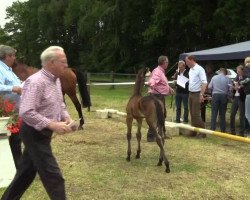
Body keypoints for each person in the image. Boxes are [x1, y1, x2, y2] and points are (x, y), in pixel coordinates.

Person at [1, 46, 74, 200]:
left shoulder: (56, 80)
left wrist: (65, 116)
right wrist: (52, 124)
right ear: (51, 63)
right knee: (54, 177)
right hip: (33, 133)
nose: (66, 65)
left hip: (43, 132)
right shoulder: (36, 82)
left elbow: (59, 103)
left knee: (25, 174)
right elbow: (26, 112)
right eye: (63, 61)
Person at [0, 45, 22, 169]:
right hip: (6, 111)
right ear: (7, 56)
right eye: (13, 55)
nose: (15, 58)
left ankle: (17, 166)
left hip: (14, 111)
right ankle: (16, 167)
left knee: (16, 139)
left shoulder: (8, 70)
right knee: (13, 139)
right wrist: (13, 88)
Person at [146, 55, 174, 142]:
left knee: (162, 115)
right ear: (163, 62)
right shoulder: (158, 71)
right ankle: (150, 136)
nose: (168, 63)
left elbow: (163, 83)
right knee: (156, 116)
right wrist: (151, 83)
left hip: (160, 96)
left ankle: (162, 133)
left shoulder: (161, 71)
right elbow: (154, 80)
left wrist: (169, 88)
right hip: (156, 97)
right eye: (167, 62)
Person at [185, 55, 207, 137]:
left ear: (192, 60)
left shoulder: (200, 69)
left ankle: (203, 132)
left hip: (197, 93)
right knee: (192, 113)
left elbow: (204, 82)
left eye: (187, 61)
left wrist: (201, 94)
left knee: (196, 114)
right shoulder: (191, 70)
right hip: (190, 93)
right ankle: (193, 131)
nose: (186, 63)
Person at [208, 68, 231, 132]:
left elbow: (209, 87)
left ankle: (212, 128)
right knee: (222, 114)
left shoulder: (214, 77)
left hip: (215, 95)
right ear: (225, 73)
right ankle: (223, 130)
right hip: (224, 96)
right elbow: (230, 89)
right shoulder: (228, 79)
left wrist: (212, 92)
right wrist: (229, 96)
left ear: (220, 72)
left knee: (214, 113)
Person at [230, 65, 246, 136]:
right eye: (237, 71)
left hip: (241, 98)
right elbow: (233, 85)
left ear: (242, 71)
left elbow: (245, 88)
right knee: (232, 114)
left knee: (241, 115)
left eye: (239, 71)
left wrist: (239, 87)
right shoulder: (236, 77)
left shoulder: (246, 78)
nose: (238, 72)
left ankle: (241, 132)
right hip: (235, 97)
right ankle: (232, 131)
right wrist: (233, 88)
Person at [240, 56, 250, 132]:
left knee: (247, 114)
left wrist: (241, 82)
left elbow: (248, 79)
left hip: (249, 93)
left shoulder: (246, 69)